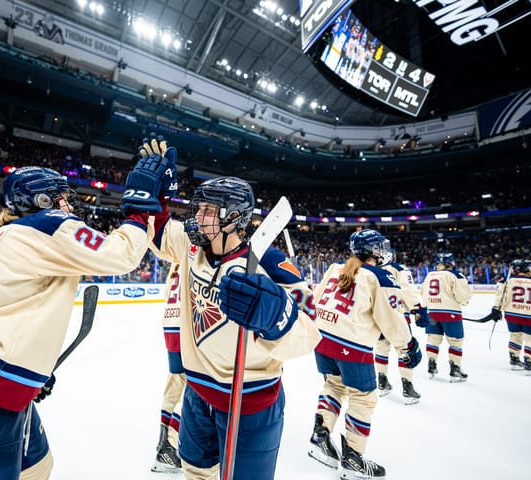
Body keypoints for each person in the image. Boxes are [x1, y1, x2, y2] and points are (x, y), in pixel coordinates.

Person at [0, 155, 175, 479]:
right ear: (43, 200)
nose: (69, 206)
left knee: (37, 468)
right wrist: (140, 210)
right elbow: (119, 256)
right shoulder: (47, 224)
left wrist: (28, 369)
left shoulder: (6, 234)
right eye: (63, 197)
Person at [148, 171, 320, 480]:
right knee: (196, 471)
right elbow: (159, 232)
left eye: (209, 211)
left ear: (235, 217)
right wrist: (154, 196)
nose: (198, 217)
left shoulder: (267, 261)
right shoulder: (192, 245)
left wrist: (275, 316)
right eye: (198, 208)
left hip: (250, 401)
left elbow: (309, 330)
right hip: (197, 392)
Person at [309, 229, 421, 479]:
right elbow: (391, 318)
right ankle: (353, 459)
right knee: (364, 398)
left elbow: (316, 300)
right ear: (375, 251)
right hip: (351, 344)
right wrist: (408, 345)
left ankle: (320, 438)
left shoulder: (335, 267)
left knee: (334, 386)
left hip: (322, 337)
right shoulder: (380, 276)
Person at [375, 252, 430, 404]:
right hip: (398, 316)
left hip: (379, 317)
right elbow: (407, 290)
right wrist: (417, 308)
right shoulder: (399, 270)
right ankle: (407, 387)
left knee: (381, 349)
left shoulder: (371, 271)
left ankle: (382, 382)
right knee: (404, 350)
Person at [152, 262, 186, 473]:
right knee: (197, 387)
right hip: (187, 328)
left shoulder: (177, 260)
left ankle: (164, 442)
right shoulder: (198, 255)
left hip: (171, 324)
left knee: (176, 381)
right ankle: (172, 445)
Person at [420, 253, 472, 381]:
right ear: (451, 263)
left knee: (433, 339)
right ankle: (455, 368)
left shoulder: (429, 275)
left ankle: (431, 364)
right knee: (455, 341)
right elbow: (463, 297)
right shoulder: (456, 275)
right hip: (450, 313)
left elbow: (423, 293)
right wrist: (465, 301)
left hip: (431, 312)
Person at [490, 259, 531, 375]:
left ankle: (514, 360)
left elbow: (500, 296)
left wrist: (496, 309)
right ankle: (529, 364)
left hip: (512, 314)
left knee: (515, 336)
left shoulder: (508, 280)